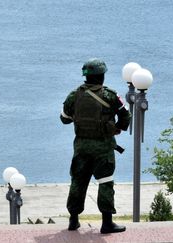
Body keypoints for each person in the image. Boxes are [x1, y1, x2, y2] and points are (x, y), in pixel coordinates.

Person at [60, 58, 131, 234]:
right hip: (103, 149)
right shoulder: (110, 95)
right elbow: (126, 116)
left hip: (81, 147)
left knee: (78, 181)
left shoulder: (73, 95)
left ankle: (73, 220)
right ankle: (107, 223)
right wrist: (118, 128)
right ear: (102, 76)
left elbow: (64, 119)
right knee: (105, 182)